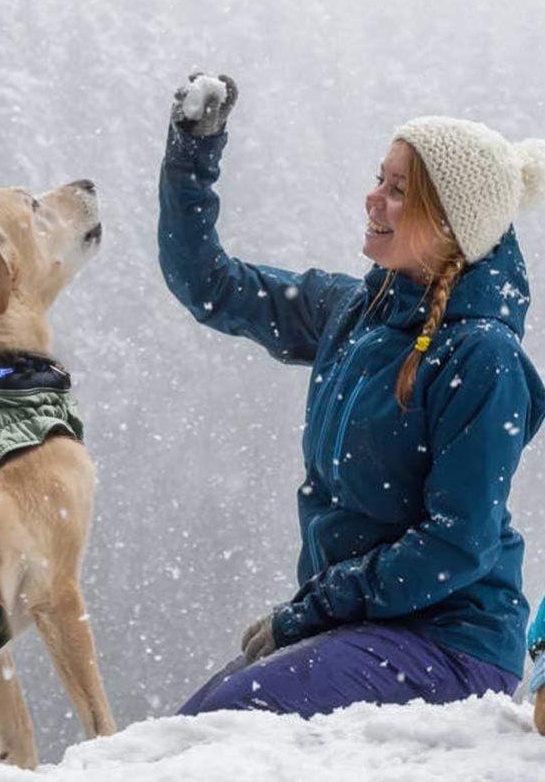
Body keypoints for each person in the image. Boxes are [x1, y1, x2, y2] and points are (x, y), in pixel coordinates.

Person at [158, 72, 545, 718]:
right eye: (379, 179)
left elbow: (458, 543)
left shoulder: (483, 358)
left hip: (451, 643)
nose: (374, 199)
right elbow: (212, 286)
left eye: (399, 191)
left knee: (224, 720)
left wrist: (315, 608)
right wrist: (192, 156)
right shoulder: (356, 313)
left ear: (452, 224)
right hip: (360, 627)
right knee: (184, 730)